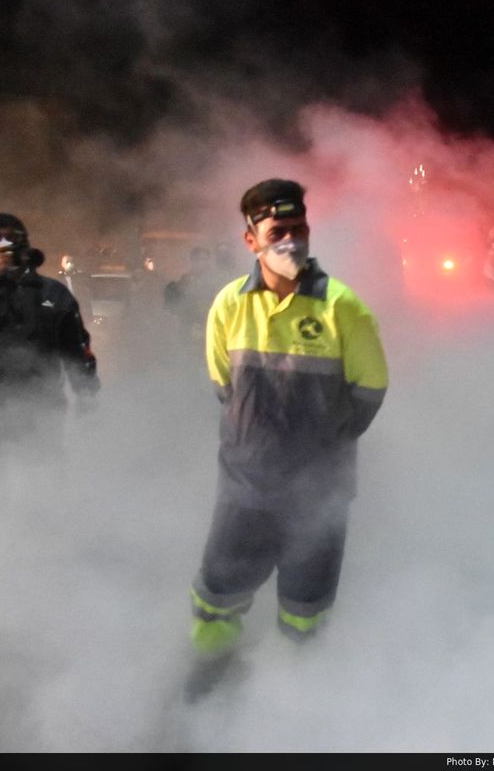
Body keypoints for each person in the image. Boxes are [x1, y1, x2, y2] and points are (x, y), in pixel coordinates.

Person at [186, 179, 388, 684]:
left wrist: (320, 445)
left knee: (305, 606)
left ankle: (293, 692)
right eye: (278, 231)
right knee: (218, 594)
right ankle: (209, 672)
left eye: (299, 229)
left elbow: (371, 390)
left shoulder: (344, 307)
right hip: (245, 487)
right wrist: (257, 440)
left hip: (319, 493)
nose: (291, 241)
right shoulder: (228, 305)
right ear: (251, 240)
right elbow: (222, 383)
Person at [0, 213, 99, 468]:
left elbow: (77, 348)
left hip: (41, 404)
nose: (4, 246)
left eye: (11, 239)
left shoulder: (52, 292)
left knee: (42, 476)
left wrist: (87, 394)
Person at [164, 246, 223, 351]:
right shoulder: (184, 281)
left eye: (206, 259)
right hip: (189, 328)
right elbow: (176, 306)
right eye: (200, 259)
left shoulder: (216, 281)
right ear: (193, 261)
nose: (204, 263)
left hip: (210, 326)